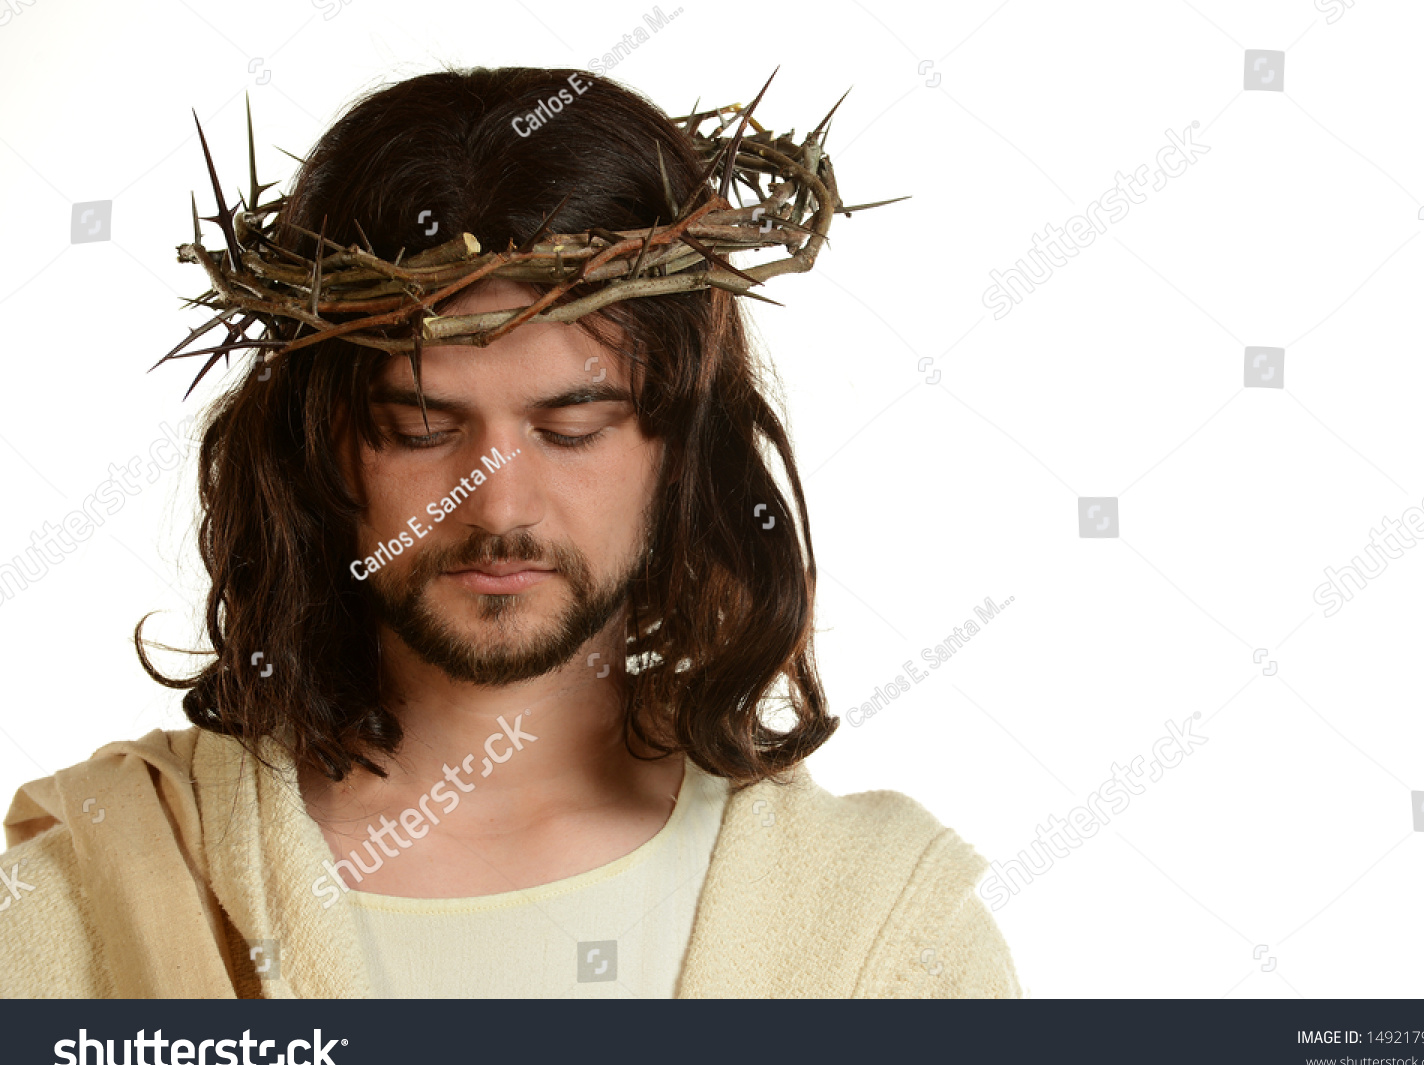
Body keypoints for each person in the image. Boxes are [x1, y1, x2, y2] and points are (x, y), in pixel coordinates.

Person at [0, 65, 1022, 998]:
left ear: (678, 447)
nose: (496, 505)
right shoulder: (93, 898)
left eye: (571, 428)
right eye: (421, 427)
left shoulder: (887, 943)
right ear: (324, 449)